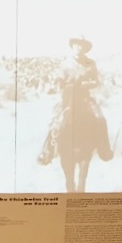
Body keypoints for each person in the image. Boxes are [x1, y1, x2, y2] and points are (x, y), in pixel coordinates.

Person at [38, 35, 111, 166]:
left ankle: (104, 150)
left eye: (82, 45)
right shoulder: (65, 64)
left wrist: (86, 84)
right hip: (67, 98)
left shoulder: (90, 63)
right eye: (76, 44)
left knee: (100, 118)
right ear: (72, 46)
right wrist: (59, 84)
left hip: (85, 97)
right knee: (55, 120)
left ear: (85, 48)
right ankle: (47, 151)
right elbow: (58, 82)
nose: (79, 47)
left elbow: (96, 81)